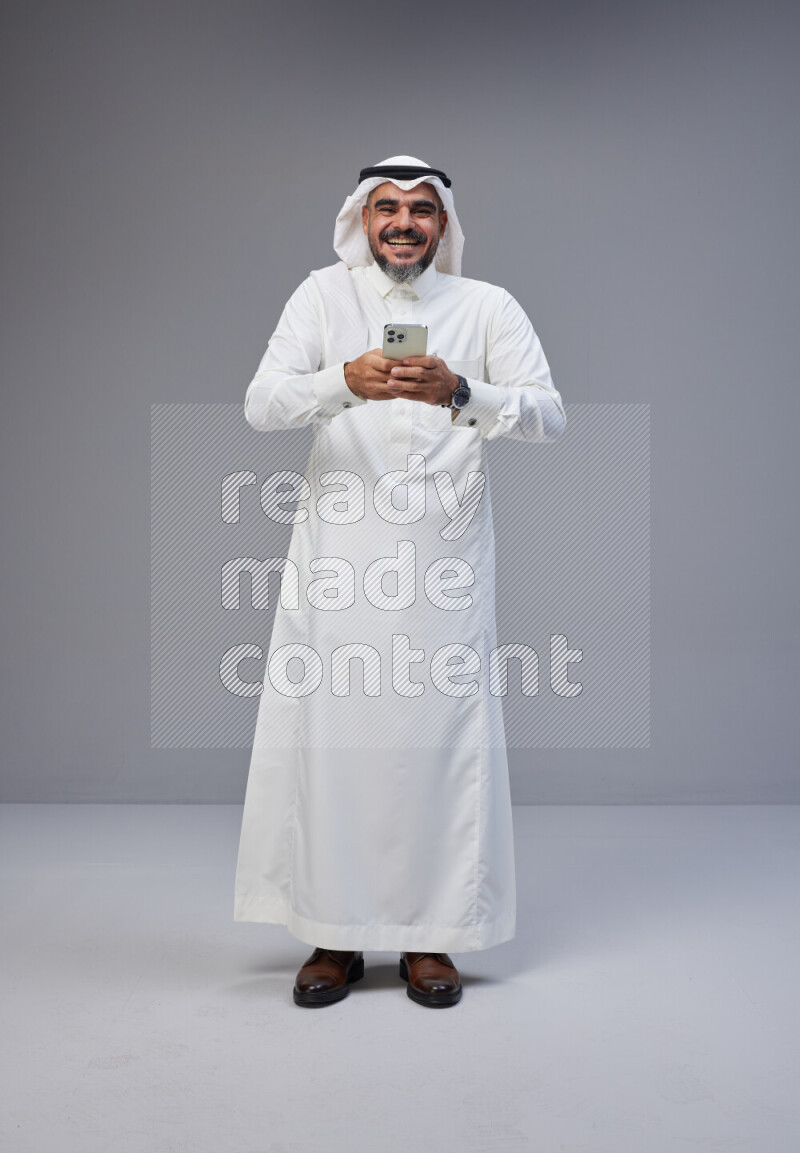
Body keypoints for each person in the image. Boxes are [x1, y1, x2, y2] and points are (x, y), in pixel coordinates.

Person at [233, 155, 566, 1008]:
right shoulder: (322, 297)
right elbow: (261, 403)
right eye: (387, 208)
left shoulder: (486, 306)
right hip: (340, 564)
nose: (404, 223)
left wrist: (462, 391)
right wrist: (340, 382)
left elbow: (548, 414)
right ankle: (333, 934)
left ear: (444, 224)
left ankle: (429, 937)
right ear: (362, 218)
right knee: (334, 744)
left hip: (443, 568)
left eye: (422, 209)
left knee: (438, 747)